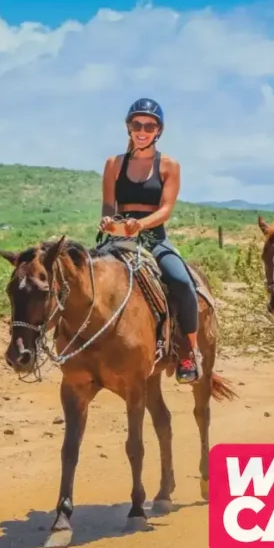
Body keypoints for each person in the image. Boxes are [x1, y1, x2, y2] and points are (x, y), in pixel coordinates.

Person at [98, 97, 202, 384]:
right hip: (117, 238)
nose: (142, 130)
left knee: (182, 282)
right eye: (137, 124)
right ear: (128, 127)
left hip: (153, 238)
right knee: (83, 278)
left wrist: (140, 225)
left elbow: (166, 209)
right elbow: (109, 206)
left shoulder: (169, 165)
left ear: (159, 130)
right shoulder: (113, 164)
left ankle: (189, 351)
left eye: (149, 125)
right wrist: (108, 221)